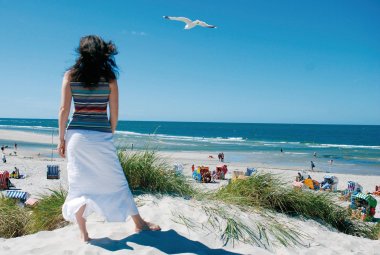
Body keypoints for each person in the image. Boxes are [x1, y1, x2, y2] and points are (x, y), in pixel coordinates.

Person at [58, 35, 160, 242]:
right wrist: (109, 131)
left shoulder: (70, 75)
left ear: (82, 53)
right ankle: (139, 223)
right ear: (103, 53)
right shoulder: (110, 77)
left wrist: (61, 139)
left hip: (76, 136)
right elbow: (115, 110)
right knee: (117, 180)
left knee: (79, 184)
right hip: (101, 134)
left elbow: (63, 110)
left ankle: (84, 234)